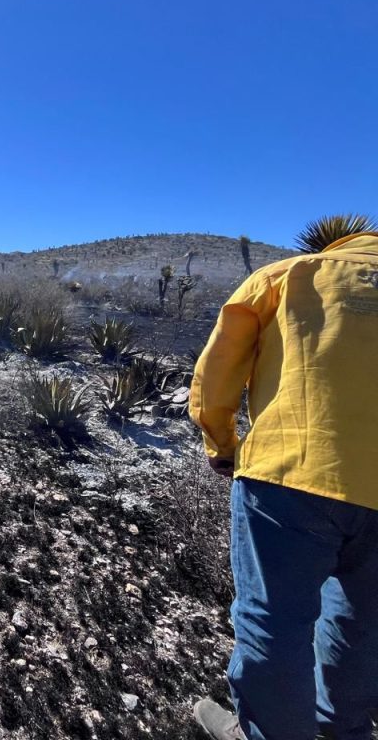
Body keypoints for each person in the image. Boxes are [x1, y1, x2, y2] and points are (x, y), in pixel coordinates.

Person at [189, 231, 378, 740]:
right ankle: (344, 732)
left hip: (291, 472)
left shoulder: (287, 276)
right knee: (365, 625)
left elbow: (215, 374)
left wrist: (221, 444)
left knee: (273, 623)